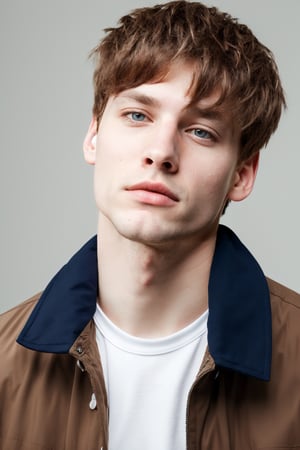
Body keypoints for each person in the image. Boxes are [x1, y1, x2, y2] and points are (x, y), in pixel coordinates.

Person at [0, 1, 299, 449]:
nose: (161, 152)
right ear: (93, 136)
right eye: (138, 115)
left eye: (201, 131)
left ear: (242, 174)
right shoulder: (4, 365)